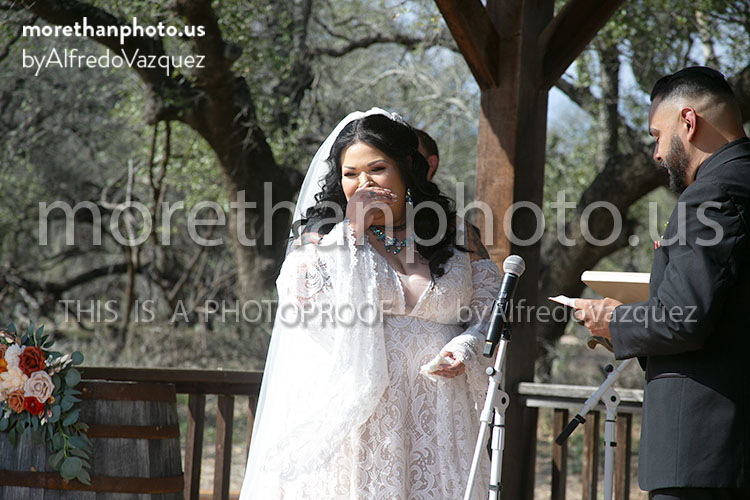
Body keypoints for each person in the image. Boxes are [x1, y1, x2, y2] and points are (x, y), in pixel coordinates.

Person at [239, 109, 501, 499]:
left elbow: (491, 305)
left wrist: (467, 345)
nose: (364, 183)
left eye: (377, 169)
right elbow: (306, 306)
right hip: (364, 419)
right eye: (351, 174)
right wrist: (352, 230)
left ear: (406, 166)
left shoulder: (456, 232)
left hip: (440, 414)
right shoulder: (322, 238)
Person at [575, 67, 750, 499]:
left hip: (704, 453)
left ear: (688, 122)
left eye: (657, 135)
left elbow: (683, 319)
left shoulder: (711, 195)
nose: (656, 153)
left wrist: (613, 320)